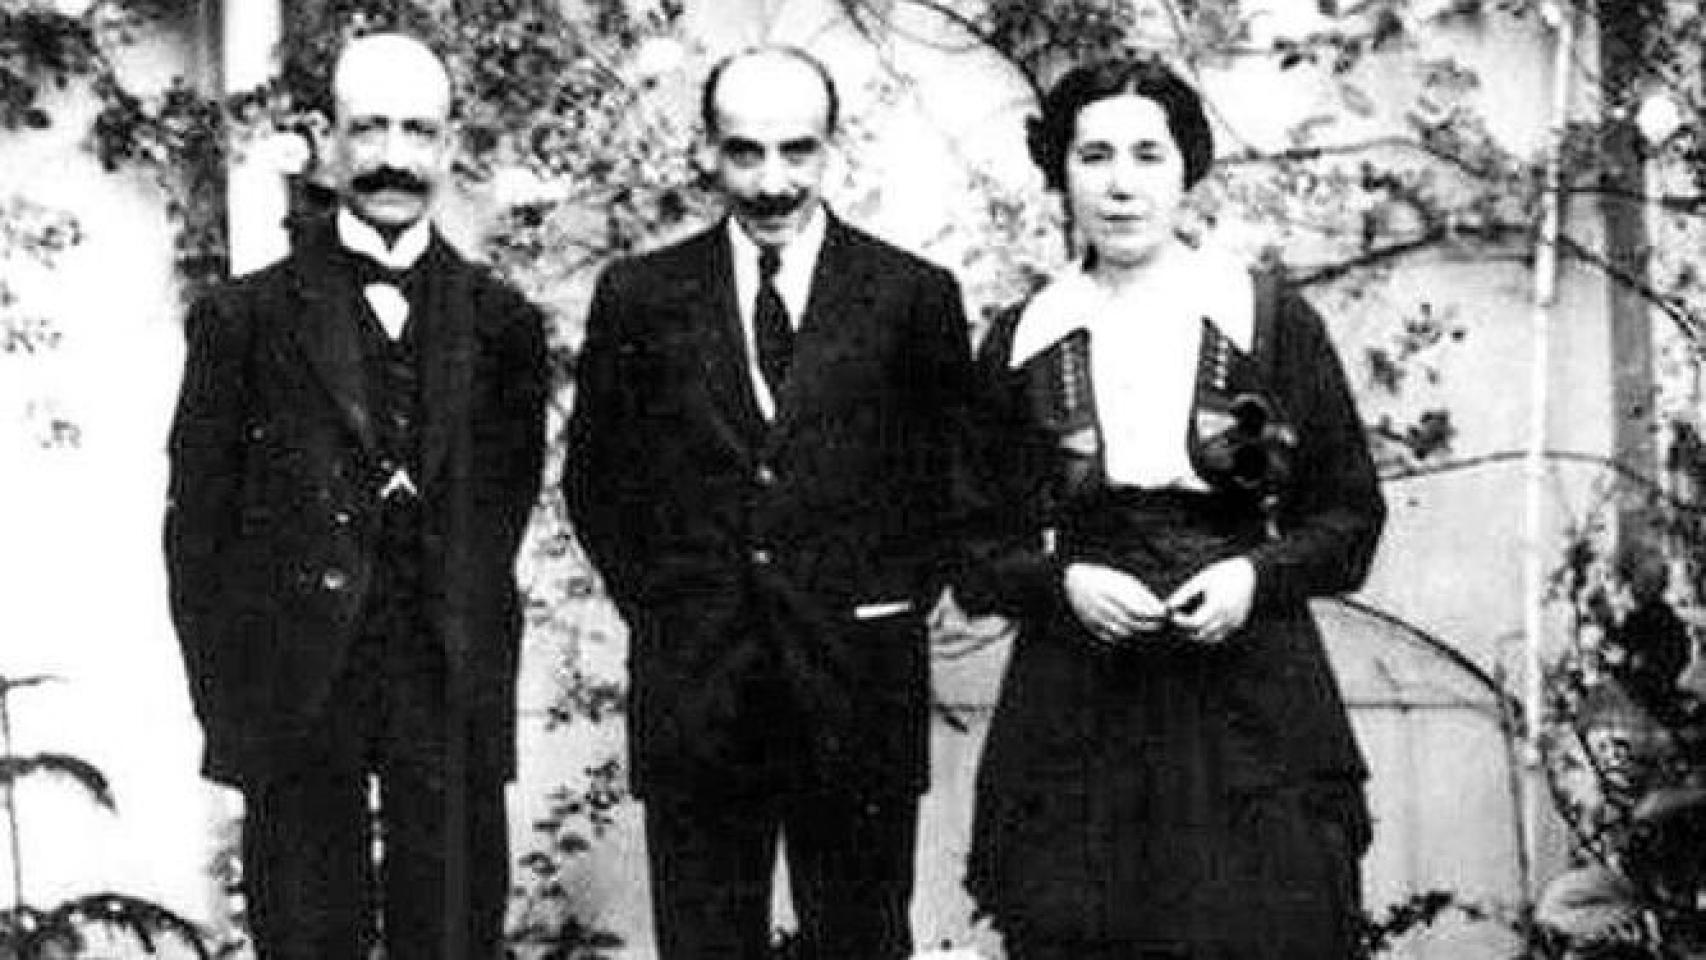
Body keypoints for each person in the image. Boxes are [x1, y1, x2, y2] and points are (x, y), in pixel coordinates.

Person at [957, 56, 1386, 960]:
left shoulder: (1263, 321)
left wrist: (1254, 577)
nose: (1122, 185)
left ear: (1187, 167)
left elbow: (1348, 520)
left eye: (1148, 155)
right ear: (1060, 171)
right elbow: (976, 548)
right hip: (1079, 698)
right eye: (1095, 156)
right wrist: (1063, 583)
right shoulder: (1028, 337)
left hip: (1249, 699)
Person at [563, 45, 975, 960]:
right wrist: (676, 608)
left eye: (798, 150)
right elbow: (597, 482)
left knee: (862, 941)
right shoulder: (640, 297)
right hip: (698, 693)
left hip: (857, 689)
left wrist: (880, 603)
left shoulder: (912, 297)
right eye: (745, 152)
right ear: (706, 150)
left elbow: (950, 485)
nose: (774, 181)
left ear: (834, 148)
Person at [164, 33, 547, 960]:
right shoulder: (243, 319)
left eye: (418, 131)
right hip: (297, 694)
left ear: (451, 145)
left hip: (446, 689)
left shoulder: (503, 323)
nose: (392, 158)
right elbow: (197, 535)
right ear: (325, 139)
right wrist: (235, 709)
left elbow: (505, 506)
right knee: (304, 937)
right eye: (368, 128)